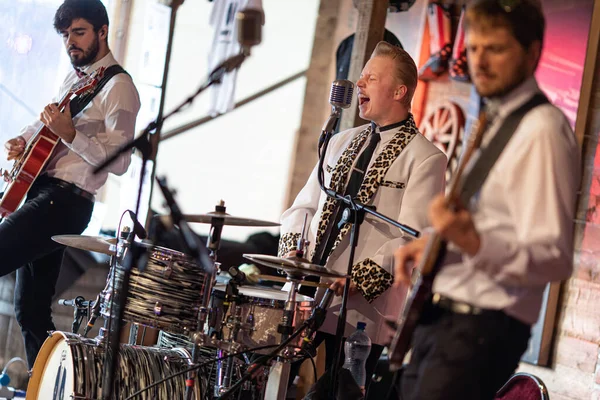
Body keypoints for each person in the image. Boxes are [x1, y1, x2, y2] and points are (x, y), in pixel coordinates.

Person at [393, 1, 579, 399]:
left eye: (495, 49)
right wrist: (435, 246)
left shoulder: (543, 129)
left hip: (480, 330)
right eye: (474, 48)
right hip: (445, 320)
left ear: (531, 54)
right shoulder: (497, 120)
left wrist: (470, 240)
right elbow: (493, 226)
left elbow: (553, 255)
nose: (480, 60)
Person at [280, 41, 446, 391]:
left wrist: (360, 279)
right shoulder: (341, 141)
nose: (360, 84)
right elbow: (303, 205)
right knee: (275, 381)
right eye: (360, 77)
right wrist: (292, 253)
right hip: (306, 292)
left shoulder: (426, 158)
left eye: (371, 77)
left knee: (340, 391)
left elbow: (413, 235)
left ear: (400, 91)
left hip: (360, 310)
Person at [1, 0, 140, 368]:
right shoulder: (76, 79)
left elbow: (122, 161)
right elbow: (46, 124)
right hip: (44, 194)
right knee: (30, 312)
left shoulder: (119, 87)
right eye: (65, 35)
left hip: (66, 202)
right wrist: (22, 142)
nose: (70, 43)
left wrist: (71, 135)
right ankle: (50, 387)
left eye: (78, 33)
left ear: (102, 31)